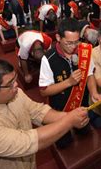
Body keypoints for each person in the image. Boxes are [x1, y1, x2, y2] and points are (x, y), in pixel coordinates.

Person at [39, 18, 97, 148]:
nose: (73, 47)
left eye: (76, 42)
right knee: (64, 144)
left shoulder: (84, 51)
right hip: (60, 109)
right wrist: (69, 82)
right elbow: (44, 91)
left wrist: (93, 92)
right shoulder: (48, 59)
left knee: (85, 135)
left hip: (81, 105)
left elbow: (90, 74)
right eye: (69, 43)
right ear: (58, 37)